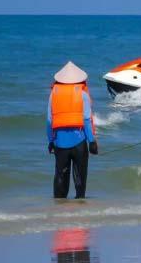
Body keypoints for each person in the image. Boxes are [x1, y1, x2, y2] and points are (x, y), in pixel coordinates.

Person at [47, 61, 98, 199]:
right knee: (80, 178)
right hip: (79, 143)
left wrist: (51, 140)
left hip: (60, 143)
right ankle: (80, 206)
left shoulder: (54, 94)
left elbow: (49, 120)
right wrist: (92, 141)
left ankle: (58, 208)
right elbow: (86, 120)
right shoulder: (83, 94)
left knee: (60, 176)